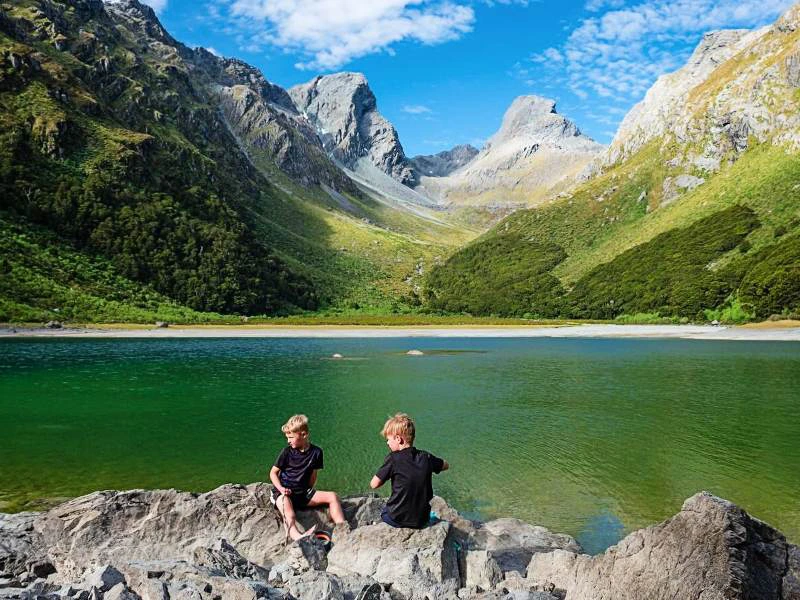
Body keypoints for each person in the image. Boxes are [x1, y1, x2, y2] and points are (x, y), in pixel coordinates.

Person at [269, 414, 346, 540]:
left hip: (303, 494)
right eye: (287, 437)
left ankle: (342, 528)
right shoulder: (286, 452)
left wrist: (309, 491)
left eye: (291, 437)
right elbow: (273, 473)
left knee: (333, 496)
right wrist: (281, 489)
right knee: (289, 514)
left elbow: (313, 475)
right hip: (283, 493)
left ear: (304, 435)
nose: (288, 440)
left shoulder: (316, 452)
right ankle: (298, 536)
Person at [370, 413, 449, 529]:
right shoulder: (425, 457)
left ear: (398, 439)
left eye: (388, 439)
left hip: (397, 519)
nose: (387, 443)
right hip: (421, 520)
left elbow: (373, 484)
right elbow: (446, 465)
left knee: (383, 511)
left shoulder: (393, 459)